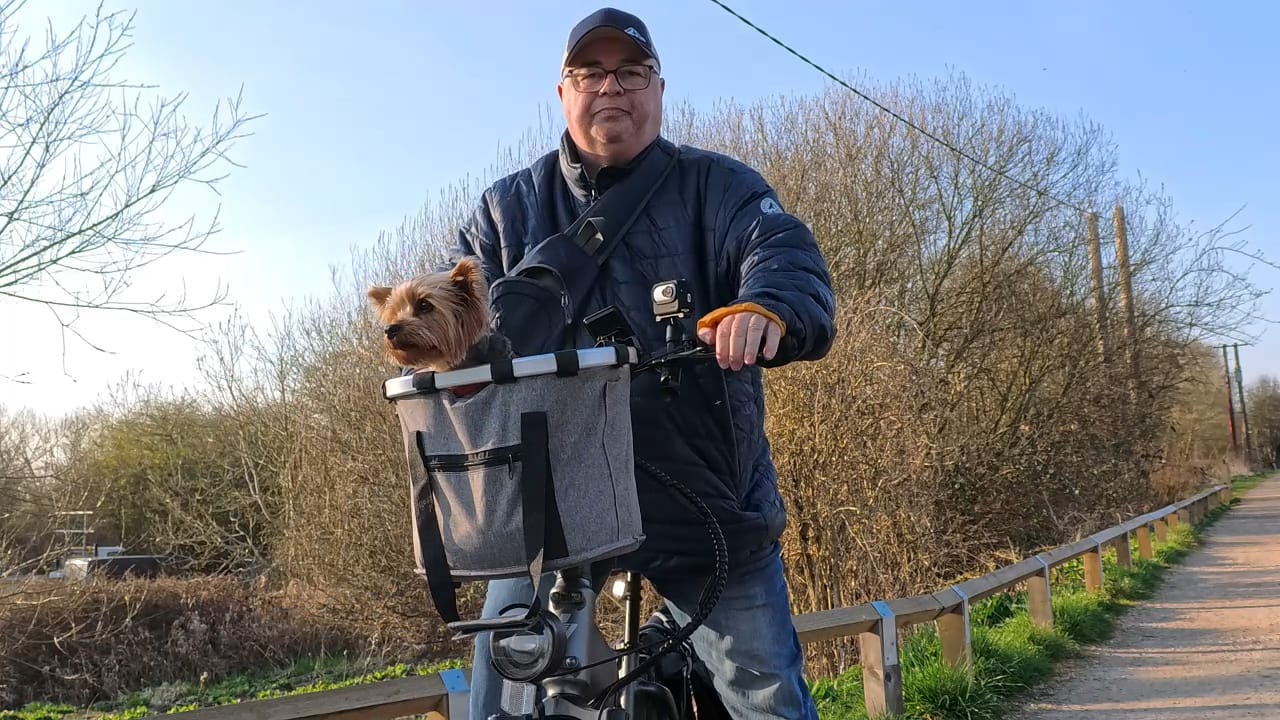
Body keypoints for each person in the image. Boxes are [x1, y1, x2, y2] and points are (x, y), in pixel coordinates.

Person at [450, 7, 836, 719]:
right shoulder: (505, 211)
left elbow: (781, 253)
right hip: (553, 507)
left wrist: (766, 308)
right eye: (590, 72)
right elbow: (457, 311)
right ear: (562, 93)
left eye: (632, 72)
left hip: (705, 494)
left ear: (658, 91)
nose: (611, 87)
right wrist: (434, 344)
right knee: (506, 675)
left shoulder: (720, 189)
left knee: (766, 693)